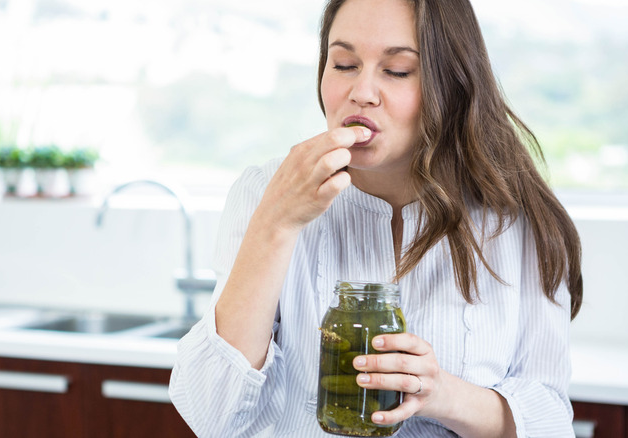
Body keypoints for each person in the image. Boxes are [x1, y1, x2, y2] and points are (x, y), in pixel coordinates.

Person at [169, 0, 583, 436]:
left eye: (398, 70)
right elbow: (207, 414)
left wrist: (442, 395)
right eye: (344, 64)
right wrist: (276, 223)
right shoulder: (266, 192)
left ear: (453, 83)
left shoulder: (514, 218)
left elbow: (550, 421)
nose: (362, 91)